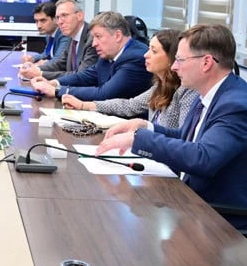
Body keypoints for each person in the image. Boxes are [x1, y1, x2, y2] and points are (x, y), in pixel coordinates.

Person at [97, 24, 247, 231]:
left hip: (217, 219)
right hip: (189, 201)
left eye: (180, 60)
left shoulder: (235, 104)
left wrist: (138, 139)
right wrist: (146, 128)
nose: (174, 67)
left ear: (206, 63)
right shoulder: (207, 93)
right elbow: (187, 138)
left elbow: (203, 157)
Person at [62, 29, 198, 128]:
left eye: (154, 51)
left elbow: (182, 137)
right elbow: (129, 105)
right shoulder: (159, 86)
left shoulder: (185, 91)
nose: (146, 55)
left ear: (172, 58)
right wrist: (83, 105)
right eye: (148, 49)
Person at [32, 11, 152, 100]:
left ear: (117, 36)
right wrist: (55, 83)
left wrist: (58, 91)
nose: (94, 44)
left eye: (98, 37)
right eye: (93, 38)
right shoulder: (109, 54)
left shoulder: (135, 58)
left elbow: (104, 94)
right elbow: (85, 76)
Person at [19, 0, 97, 80]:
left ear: (79, 16)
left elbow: (81, 75)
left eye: (64, 15)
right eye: (58, 17)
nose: (60, 22)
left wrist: (41, 73)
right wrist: (35, 69)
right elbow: (60, 63)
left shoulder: (92, 38)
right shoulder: (72, 36)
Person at [20, 1, 69, 66]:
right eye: (36, 21)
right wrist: (32, 59)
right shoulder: (49, 34)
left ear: (56, 19)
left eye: (43, 21)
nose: (39, 26)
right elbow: (46, 54)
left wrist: (43, 64)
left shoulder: (64, 34)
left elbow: (58, 60)